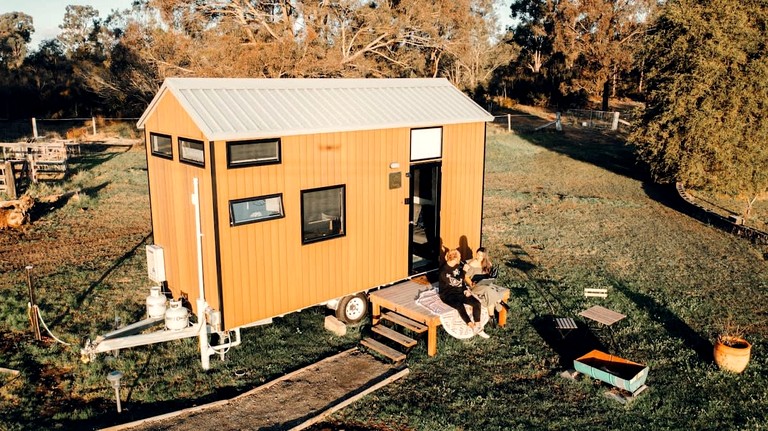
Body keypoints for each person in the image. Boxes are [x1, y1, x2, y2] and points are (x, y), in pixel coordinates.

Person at [439, 249, 489, 338]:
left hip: (459, 291)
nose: (461, 258)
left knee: (476, 303)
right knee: (459, 305)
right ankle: (472, 326)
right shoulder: (444, 271)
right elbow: (456, 281)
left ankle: (478, 326)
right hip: (448, 294)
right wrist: (464, 271)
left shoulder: (458, 265)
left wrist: (465, 289)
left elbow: (461, 282)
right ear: (454, 258)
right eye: (459, 257)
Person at [464, 247, 510, 318]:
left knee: (489, 291)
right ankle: (499, 301)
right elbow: (466, 277)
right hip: (475, 286)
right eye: (478, 254)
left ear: (485, 256)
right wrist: (471, 284)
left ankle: (492, 317)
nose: (479, 257)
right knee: (489, 289)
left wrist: (491, 276)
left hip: (485, 284)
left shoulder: (487, 263)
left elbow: (490, 275)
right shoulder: (472, 264)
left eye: (481, 255)